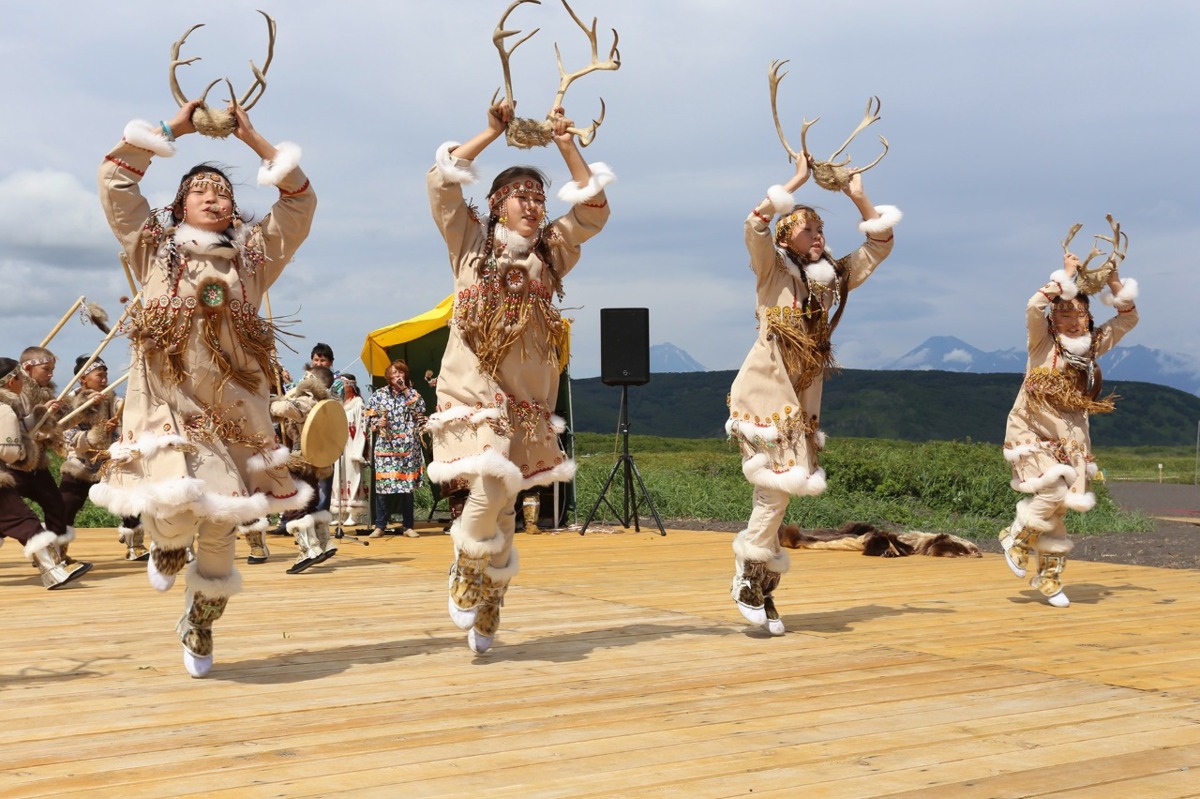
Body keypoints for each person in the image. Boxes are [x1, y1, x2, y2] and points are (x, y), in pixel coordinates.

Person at [91, 96, 316, 677]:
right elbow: (115, 181)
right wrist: (172, 129)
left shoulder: (253, 256)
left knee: (221, 526)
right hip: (169, 404)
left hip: (236, 411)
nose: (215, 195)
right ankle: (164, 542)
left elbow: (299, 203)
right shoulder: (153, 248)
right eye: (201, 188)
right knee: (171, 510)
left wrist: (255, 141)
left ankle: (201, 620)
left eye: (223, 190)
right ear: (179, 203)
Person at [425, 100, 613, 653]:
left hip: (529, 399)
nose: (532, 205)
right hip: (474, 391)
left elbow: (594, 212)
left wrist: (564, 144)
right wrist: (491, 130)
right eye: (520, 196)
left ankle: (491, 594)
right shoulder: (471, 243)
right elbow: (441, 182)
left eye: (538, 196)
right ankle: (465, 565)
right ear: (495, 205)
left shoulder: (550, 254)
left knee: (507, 501)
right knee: (486, 492)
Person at [725, 156, 901, 635]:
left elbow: (879, 244)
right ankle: (749, 575)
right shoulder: (773, 273)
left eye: (821, 227)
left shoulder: (832, 278)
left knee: (781, 488)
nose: (817, 234)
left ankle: (759, 578)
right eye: (806, 229)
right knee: (778, 483)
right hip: (764, 389)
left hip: (802, 398)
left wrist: (857, 196)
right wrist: (795, 183)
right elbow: (754, 226)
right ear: (787, 239)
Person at [999, 252, 1138, 607]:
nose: (1072, 319)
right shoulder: (1042, 341)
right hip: (1031, 427)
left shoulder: (1092, 345)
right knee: (1056, 488)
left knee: (1060, 507)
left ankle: (1049, 577)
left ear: (1088, 316)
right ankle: (1016, 536)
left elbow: (1129, 317)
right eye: (1063, 312)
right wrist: (1066, 275)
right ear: (1054, 317)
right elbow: (1034, 305)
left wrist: (1113, 281)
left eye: (1078, 313)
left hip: (1072, 436)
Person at [0, 358, 92, 588]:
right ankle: (53, 571)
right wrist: (23, 450)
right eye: (20, 376)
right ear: (11, 381)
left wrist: (41, 415)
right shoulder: (4, 411)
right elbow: (9, 452)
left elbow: (20, 429)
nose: (23, 381)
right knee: (26, 522)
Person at [59, 355, 149, 561]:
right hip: (80, 461)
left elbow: (125, 408)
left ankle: (135, 544)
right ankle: (57, 551)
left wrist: (134, 397)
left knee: (129, 499)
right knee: (67, 504)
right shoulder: (68, 403)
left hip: (108, 460)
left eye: (106, 374)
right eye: (99, 375)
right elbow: (67, 434)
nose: (104, 378)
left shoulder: (109, 398)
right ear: (83, 379)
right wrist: (99, 431)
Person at [270, 365, 339, 574]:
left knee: (295, 502)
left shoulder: (308, 399)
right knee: (310, 500)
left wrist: (269, 402)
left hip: (302, 457)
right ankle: (324, 543)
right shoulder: (328, 403)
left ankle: (309, 549)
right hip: (315, 459)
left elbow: (283, 410)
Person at [15, 346, 78, 561]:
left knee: (55, 505)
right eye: (46, 369)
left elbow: (58, 426)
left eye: (52, 369)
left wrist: (83, 409)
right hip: (12, 463)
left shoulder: (46, 393)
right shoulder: (16, 394)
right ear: (28, 368)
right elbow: (18, 429)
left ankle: (56, 556)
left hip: (36, 464)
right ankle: (45, 556)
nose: (51, 374)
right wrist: (42, 416)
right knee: (13, 515)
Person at [365, 360, 426, 539]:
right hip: (386, 447)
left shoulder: (412, 393)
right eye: (394, 373)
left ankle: (408, 526)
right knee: (383, 487)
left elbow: (421, 409)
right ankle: (380, 525)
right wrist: (377, 423)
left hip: (407, 448)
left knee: (406, 488)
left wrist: (406, 390)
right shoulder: (379, 395)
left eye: (401, 372)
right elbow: (369, 417)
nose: (398, 375)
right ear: (388, 377)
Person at [331, 373, 369, 526]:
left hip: (353, 443)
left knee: (353, 477)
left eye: (343, 383)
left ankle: (353, 514)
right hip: (340, 444)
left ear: (350, 385)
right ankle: (339, 513)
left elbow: (361, 426)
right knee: (337, 479)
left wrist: (358, 450)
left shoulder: (358, 403)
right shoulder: (338, 403)